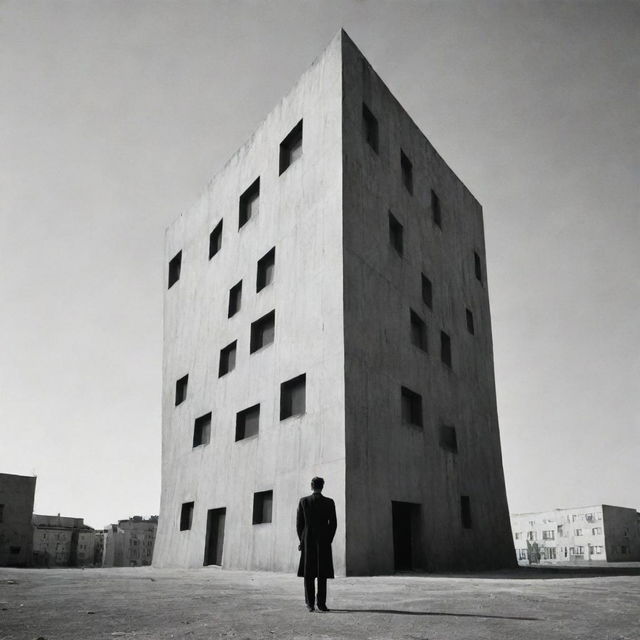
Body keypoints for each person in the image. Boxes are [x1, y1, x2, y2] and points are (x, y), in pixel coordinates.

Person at [296, 476, 337, 612]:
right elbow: (333, 524)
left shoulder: (304, 501)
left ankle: (310, 604)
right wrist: (328, 539)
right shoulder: (329, 502)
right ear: (322, 486)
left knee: (309, 573)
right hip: (323, 541)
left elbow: (299, 525)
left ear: (312, 486)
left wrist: (302, 540)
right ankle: (321, 604)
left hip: (308, 541)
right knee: (322, 573)